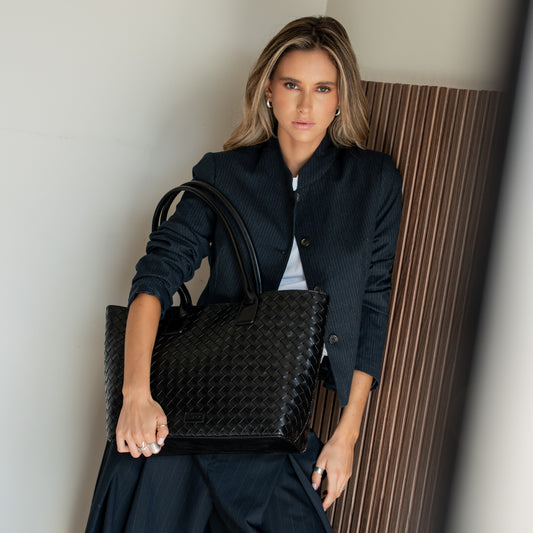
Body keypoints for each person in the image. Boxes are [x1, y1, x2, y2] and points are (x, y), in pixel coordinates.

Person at [86, 15, 402, 533]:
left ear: (341, 99)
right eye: (292, 85)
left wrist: (346, 437)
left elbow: (373, 303)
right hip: (199, 400)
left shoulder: (374, 180)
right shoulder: (224, 172)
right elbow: (155, 278)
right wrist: (136, 396)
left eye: (323, 88)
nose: (305, 105)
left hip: (277, 419)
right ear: (268, 92)